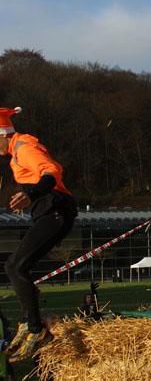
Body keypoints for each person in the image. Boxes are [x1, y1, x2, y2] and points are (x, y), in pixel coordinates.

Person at [0, 107, 78, 362]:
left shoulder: (23, 147)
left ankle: (36, 328)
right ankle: (29, 320)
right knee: (18, 267)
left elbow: (52, 171)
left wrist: (30, 194)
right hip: (51, 213)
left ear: (2, 134)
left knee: (14, 266)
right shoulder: (16, 152)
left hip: (56, 211)